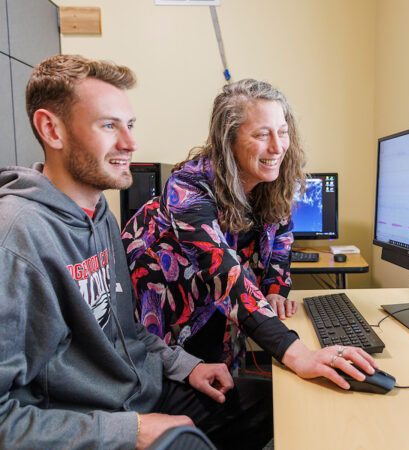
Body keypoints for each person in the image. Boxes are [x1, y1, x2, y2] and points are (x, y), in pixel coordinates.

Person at [0, 54, 275, 449]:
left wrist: (187, 366)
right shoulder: (16, 240)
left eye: (129, 125)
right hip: (93, 424)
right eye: (108, 125)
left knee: (268, 404)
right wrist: (129, 431)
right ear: (51, 130)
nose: (130, 143)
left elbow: (127, 333)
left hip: (139, 395)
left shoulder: (100, 215)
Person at [121, 79, 378, 384]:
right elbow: (223, 271)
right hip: (167, 310)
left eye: (283, 132)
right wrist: (298, 354)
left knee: (226, 388)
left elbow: (281, 243)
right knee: (184, 401)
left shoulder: (272, 183)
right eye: (261, 134)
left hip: (218, 309)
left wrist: (274, 289)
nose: (278, 147)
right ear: (228, 140)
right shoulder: (188, 187)